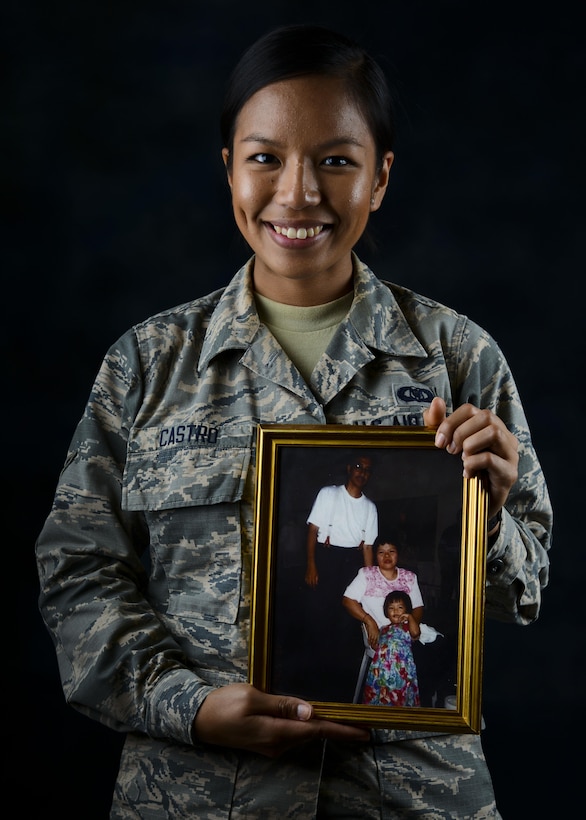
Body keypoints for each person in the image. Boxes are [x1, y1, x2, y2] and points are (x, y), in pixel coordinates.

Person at [35, 22, 552, 819]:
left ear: (380, 178)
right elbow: (78, 575)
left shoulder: (457, 357)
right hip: (197, 796)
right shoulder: (146, 365)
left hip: (410, 799)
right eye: (265, 157)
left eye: (335, 161)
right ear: (229, 171)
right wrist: (189, 706)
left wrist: (488, 510)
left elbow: (524, 592)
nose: (297, 193)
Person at [303, 454, 378, 701]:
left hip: (352, 565)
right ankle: (315, 676)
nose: (362, 473)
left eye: (367, 470)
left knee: (345, 624)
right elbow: (313, 531)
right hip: (326, 559)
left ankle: (337, 682)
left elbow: (367, 548)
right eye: (358, 467)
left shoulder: (370, 507)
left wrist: (369, 583)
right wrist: (311, 565)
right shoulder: (329, 494)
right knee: (320, 618)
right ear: (349, 468)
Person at [362, 590, 421, 707]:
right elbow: (377, 646)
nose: (396, 611)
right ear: (386, 612)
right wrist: (373, 642)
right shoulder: (384, 628)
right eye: (391, 608)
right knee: (380, 696)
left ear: (406, 610)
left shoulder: (408, 626)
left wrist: (410, 617)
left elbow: (415, 633)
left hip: (400, 669)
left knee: (399, 696)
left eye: (400, 607)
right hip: (381, 669)